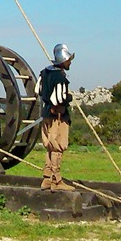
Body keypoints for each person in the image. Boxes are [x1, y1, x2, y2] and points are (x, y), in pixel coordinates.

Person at [35, 44, 76, 192]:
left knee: (50, 147)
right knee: (58, 146)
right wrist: (69, 98)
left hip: (46, 115)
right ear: (63, 60)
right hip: (57, 116)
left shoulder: (44, 72)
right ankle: (56, 181)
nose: (70, 62)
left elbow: (38, 89)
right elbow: (60, 98)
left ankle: (47, 178)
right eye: (68, 60)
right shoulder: (59, 76)